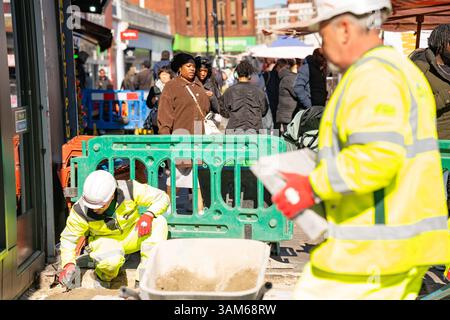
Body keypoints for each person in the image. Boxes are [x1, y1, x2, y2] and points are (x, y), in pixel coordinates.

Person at [272, 0, 450, 300]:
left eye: (323, 37)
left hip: (375, 249)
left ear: (343, 29)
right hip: (390, 243)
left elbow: (378, 157)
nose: (324, 50)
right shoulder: (396, 71)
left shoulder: (374, 76)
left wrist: (310, 186)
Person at [58, 170, 170, 288]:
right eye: (91, 206)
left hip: (132, 235)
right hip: (104, 241)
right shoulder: (80, 210)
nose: (95, 209)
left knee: (159, 222)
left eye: (101, 206)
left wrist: (149, 214)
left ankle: (144, 280)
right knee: (111, 261)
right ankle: (103, 278)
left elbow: (162, 198)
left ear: (112, 195)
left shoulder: (129, 189)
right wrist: (68, 263)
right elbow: (69, 239)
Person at [158, 52, 210, 212]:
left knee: (194, 175)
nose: (192, 69)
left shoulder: (198, 86)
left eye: (194, 66)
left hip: (197, 137)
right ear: (179, 68)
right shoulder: (171, 86)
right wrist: (166, 138)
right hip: (179, 138)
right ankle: (168, 207)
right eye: (188, 66)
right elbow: (165, 114)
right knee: (176, 175)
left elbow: (206, 109)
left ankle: (198, 209)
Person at [410, 24, 450, 140]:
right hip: (434, 142)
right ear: (439, 43)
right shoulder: (420, 67)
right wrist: (445, 96)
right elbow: (412, 106)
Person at [220, 60, 268, 134]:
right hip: (255, 130)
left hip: (234, 129)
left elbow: (223, 110)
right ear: (250, 75)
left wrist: (232, 114)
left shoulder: (230, 91)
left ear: (236, 75)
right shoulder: (259, 91)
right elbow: (264, 110)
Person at [144, 66, 174, 134]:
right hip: (157, 119)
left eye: (166, 74)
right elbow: (149, 104)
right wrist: (152, 102)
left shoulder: (175, 88)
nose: (164, 77)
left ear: (170, 75)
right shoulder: (154, 89)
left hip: (172, 118)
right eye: (162, 74)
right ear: (159, 76)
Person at [276, 59, 300, 133]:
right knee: (290, 138)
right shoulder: (289, 78)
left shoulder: (286, 77)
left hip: (287, 114)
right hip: (289, 114)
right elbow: (297, 93)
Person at [264, 59, 289, 124]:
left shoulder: (283, 77)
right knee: (269, 125)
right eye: (284, 68)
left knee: (275, 126)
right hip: (269, 106)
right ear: (278, 67)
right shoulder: (267, 75)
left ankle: (275, 133)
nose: (286, 70)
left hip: (278, 106)